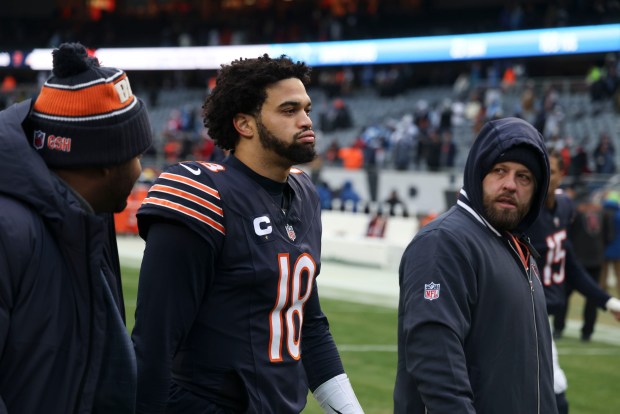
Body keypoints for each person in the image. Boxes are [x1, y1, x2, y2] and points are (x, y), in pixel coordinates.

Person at [132, 54, 363, 413]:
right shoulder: (204, 192)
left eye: (307, 109)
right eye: (289, 111)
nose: (306, 121)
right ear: (244, 124)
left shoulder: (303, 195)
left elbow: (310, 327)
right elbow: (155, 341)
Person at [0, 42, 153, 413]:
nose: (139, 170)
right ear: (105, 164)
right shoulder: (9, 231)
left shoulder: (84, 215)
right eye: (137, 154)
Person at [394, 117, 557, 413]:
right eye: (500, 170)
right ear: (478, 172)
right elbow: (435, 360)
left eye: (524, 177)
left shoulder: (517, 246)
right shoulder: (444, 242)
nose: (510, 184)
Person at [528, 151, 620, 414]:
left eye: (552, 171)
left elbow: (570, 264)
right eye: (539, 170)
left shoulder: (564, 207)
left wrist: (608, 301)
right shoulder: (524, 215)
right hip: (522, 316)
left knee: (552, 394)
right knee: (553, 395)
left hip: (541, 315)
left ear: (562, 175)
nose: (545, 177)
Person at [553, 187, 614, 342]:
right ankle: (587, 332)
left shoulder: (575, 213)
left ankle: (559, 328)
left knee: (564, 297)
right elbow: (609, 237)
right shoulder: (604, 213)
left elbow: (565, 234)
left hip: (575, 260)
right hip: (595, 259)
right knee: (592, 298)